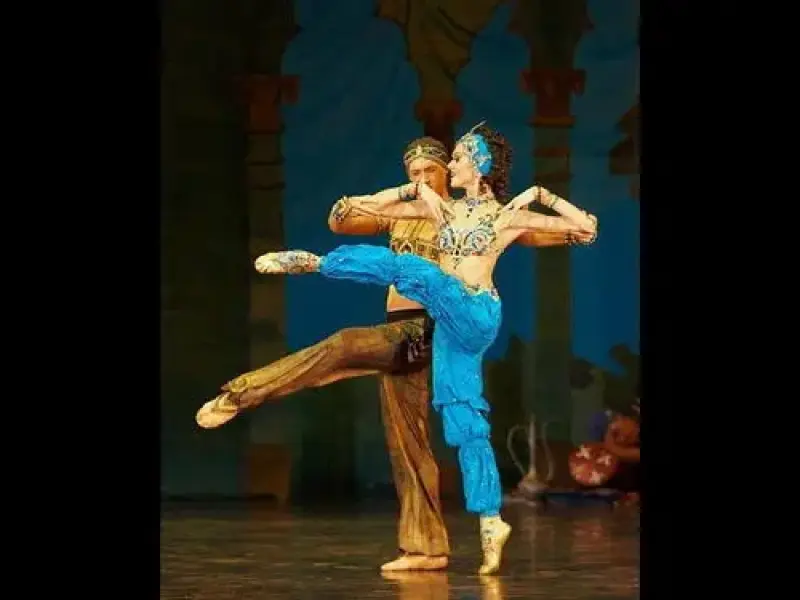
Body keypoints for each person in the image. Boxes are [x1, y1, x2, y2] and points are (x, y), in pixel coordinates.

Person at [195, 136, 590, 572]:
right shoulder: (414, 212)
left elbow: (564, 231)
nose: (423, 178)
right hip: (407, 332)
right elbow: (344, 218)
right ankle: (428, 546)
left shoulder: (477, 213)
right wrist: (396, 194)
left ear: (452, 170)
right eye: (414, 173)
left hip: (430, 325)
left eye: (431, 171)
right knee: (411, 438)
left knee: (347, 341)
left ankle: (244, 389)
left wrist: (546, 203)